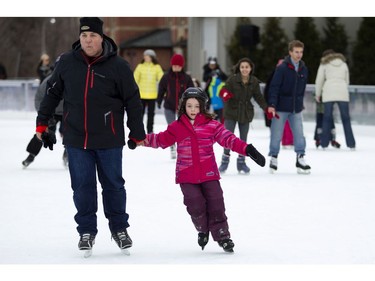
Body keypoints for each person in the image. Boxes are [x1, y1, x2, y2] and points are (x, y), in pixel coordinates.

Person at [35, 17, 146, 256]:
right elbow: (52, 94)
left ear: (102, 37)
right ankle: (86, 231)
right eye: (84, 36)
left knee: (114, 186)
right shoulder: (67, 62)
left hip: (109, 138)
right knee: (82, 188)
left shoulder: (118, 66)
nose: (88, 40)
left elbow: (133, 101)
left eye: (92, 36)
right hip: (76, 139)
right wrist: (42, 124)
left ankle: (119, 229)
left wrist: (137, 132)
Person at [129, 87, 265, 253]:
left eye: (196, 106)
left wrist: (247, 149)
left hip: (209, 173)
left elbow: (229, 139)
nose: (193, 110)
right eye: (189, 106)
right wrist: (140, 140)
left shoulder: (212, 125)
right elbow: (160, 140)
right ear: (183, 107)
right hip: (186, 175)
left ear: (202, 107)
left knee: (216, 202)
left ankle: (223, 235)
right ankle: (202, 228)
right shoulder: (177, 127)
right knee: (195, 204)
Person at [267, 40, 311, 174]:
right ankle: (274, 157)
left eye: (301, 52)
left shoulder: (304, 69)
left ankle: (300, 158)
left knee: (299, 134)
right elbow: (274, 87)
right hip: (280, 107)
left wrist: (299, 103)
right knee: (276, 134)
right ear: (290, 52)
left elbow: (301, 89)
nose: (299, 55)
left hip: (295, 108)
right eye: (296, 52)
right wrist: (272, 105)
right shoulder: (282, 68)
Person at [218, 57, 268, 174]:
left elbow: (258, 97)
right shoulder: (233, 80)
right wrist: (224, 94)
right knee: (228, 138)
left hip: (245, 113)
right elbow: (223, 90)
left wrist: (266, 108)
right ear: (239, 68)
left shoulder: (254, 82)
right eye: (242, 67)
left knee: (243, 139)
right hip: (231, 112)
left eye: (247, 67)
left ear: (250, 68)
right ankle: (224, 162)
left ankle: (241, 163)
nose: (244, 69)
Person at [22, 73, 67, 168]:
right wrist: (44, 116)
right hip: (52, 112)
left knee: (72, 134)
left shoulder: (73, 80)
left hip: (67, 112)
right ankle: (31, 155)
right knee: (43, 133)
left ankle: (68, 155)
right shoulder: (48, 81)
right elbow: (38, 99)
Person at [315, 49, 356, 150]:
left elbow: (319, 80)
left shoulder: (324, 63)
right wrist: (343, 87)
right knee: (346, 118)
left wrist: (318, 94)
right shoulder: (343, 63)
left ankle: (324, 144)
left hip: (329, 91)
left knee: (327, 118)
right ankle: (351, 144)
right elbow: (347, 80)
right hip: (342, 92)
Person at [157, 53, 194, 159]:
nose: (176, 68)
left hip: (183, 108)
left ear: (182, 66)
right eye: (174, 66)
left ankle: (182, 147)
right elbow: (161, 89)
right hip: (169, 106)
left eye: (178, 66)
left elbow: (192, 91)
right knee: (172, 127)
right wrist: (159, 100)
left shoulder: (186, 78)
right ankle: (172, 146)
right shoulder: (166, 77)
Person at [263, 59, 294, 149]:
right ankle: (285, 141)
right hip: (277, 102)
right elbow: (269, 89)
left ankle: (287, 140)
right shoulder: (276, 75)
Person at [134, 49, 164, 133]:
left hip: (152, 95)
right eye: (145, 56)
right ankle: (139, 130)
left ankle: (150, 131)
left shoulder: (157, 67)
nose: (146, 57)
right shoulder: (140, 66)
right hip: (141, 94)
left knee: (151, 114)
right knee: (140, 114)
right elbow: (135, 79)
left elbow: (162, 79)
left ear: (152, 57)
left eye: (148, 56)